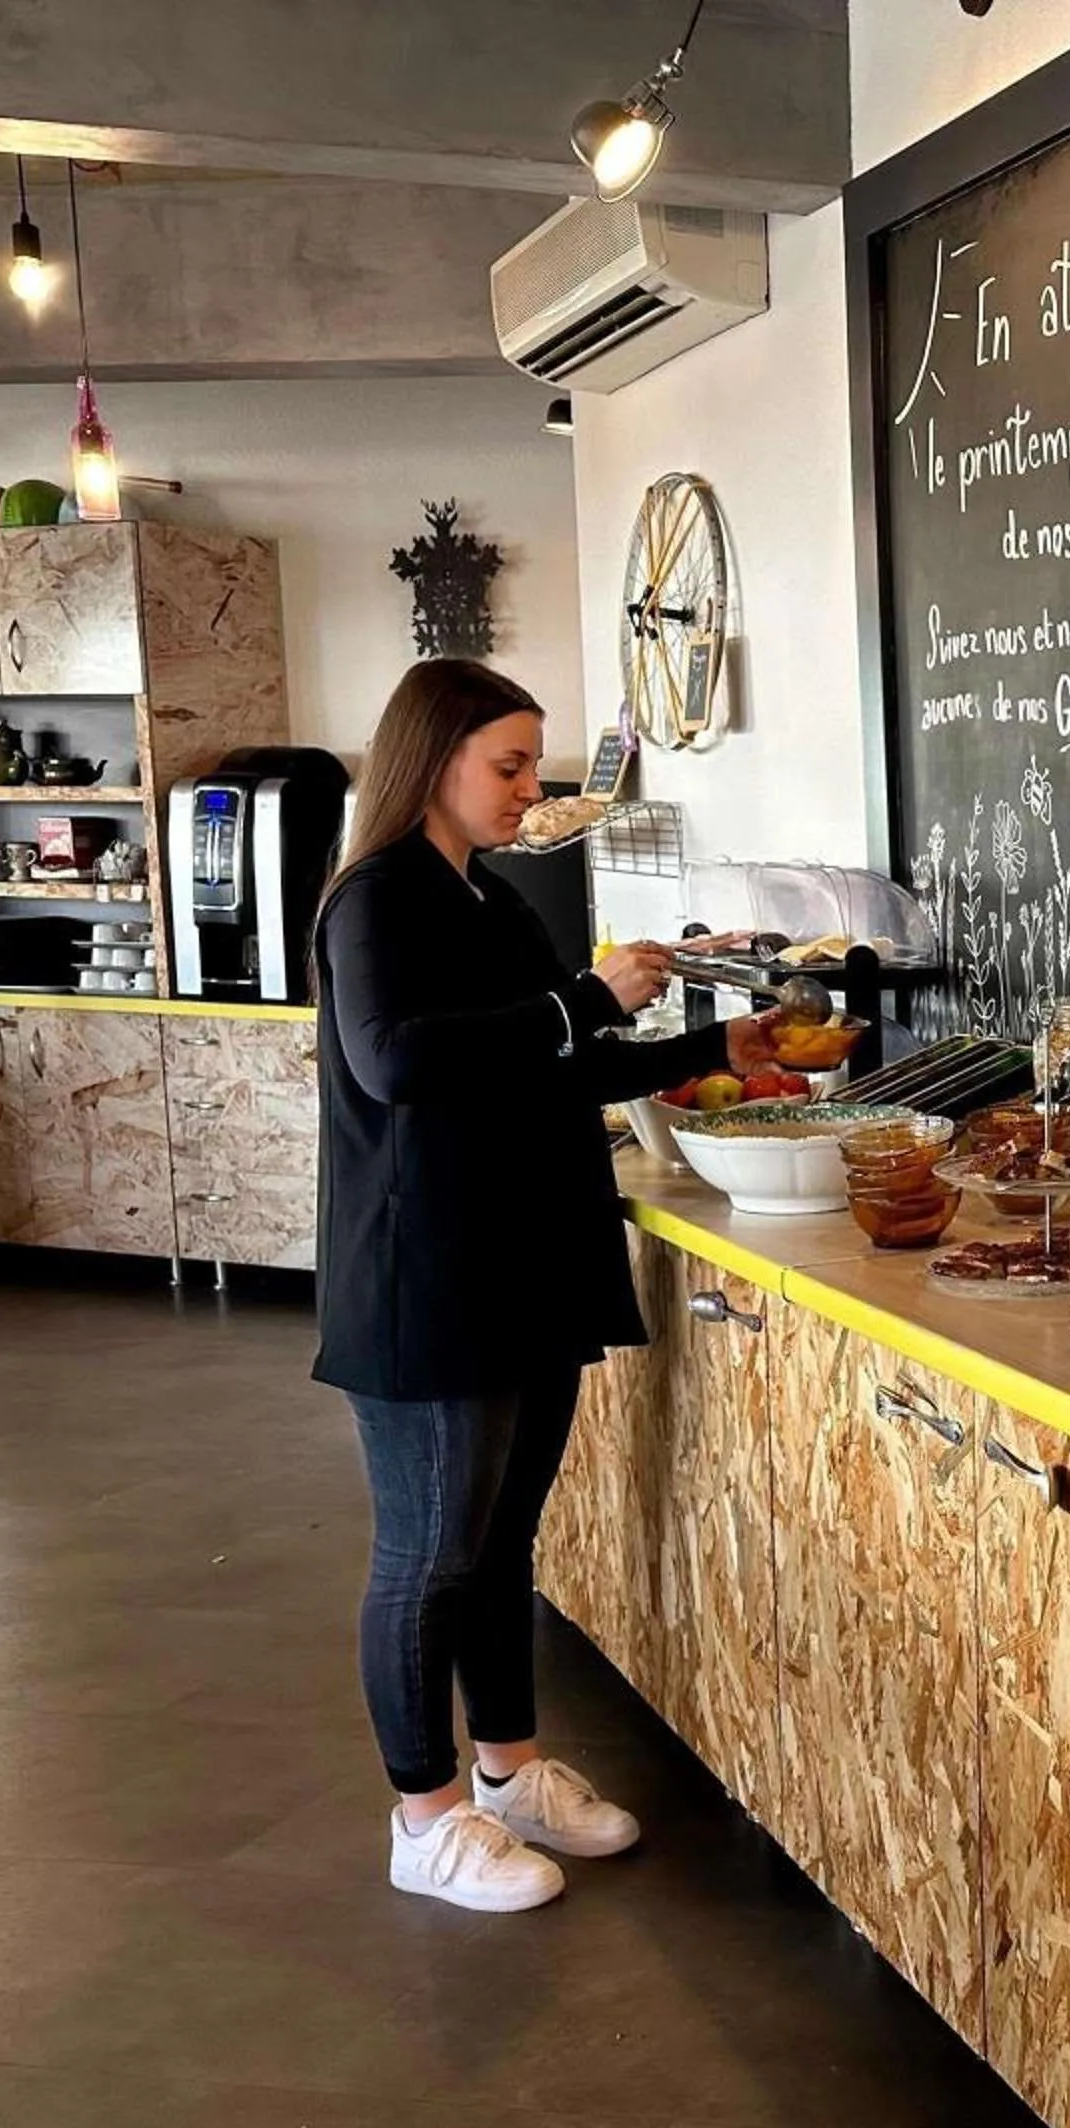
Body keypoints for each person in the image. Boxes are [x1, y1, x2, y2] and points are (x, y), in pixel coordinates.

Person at [313, 658, 777, 1912]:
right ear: (433, 760)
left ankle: (509, 1775)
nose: (532, 789)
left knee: (500, 1542)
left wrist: (712, 1045)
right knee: (426, 1556)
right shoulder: (376, 899)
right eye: (508, 765)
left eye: (533, 764)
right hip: (427, 1282)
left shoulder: (492, 899)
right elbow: (394, 1062)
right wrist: (582, 999)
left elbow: (554, 1069)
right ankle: (425, 1822)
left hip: (519, 1270)